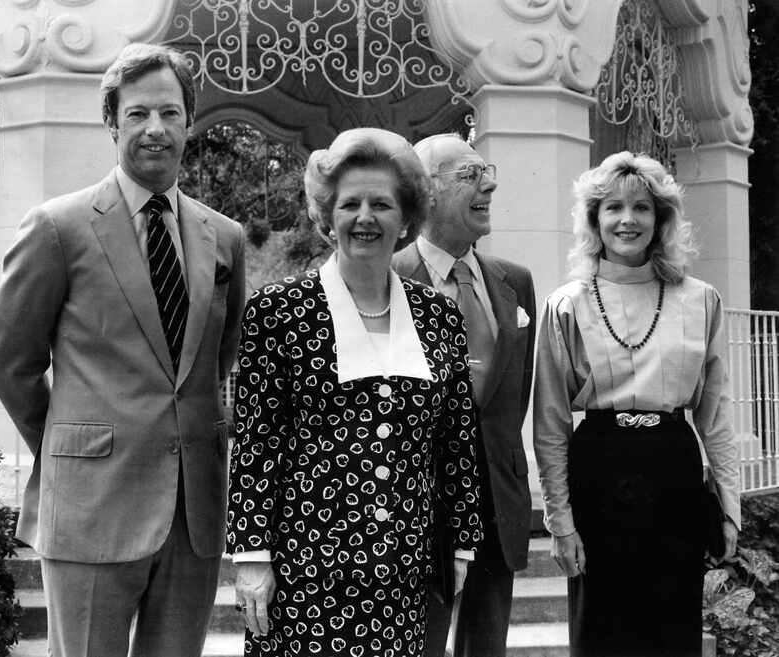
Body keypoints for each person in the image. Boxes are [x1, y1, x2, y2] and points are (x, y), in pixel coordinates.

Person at [0, 43, 245, 657]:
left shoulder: (225, 237)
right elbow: (10, 360)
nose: (155, 128)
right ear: (111, 122)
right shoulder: (58, 227)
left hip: (193, 512)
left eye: (170, 113)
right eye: (137, 114)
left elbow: (220, 361)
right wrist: (68, 442)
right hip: (91, 505)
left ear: (189, 121)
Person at [226, 127, 483, 657]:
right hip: (304, 569)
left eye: (381, 204)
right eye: (350, 204)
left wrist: (462, 540)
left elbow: (457, 440)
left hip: (404, 570)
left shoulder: (439, 317)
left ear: (406, 219)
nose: (365, 217)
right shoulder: (278, 311)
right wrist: (252, 554)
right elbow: (258, 442)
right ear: (328, 216)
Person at [533, 151, 740, 657]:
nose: (627, 220)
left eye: (642, 208)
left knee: (671, 631)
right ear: (593, 219)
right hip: (598, 472)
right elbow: (551, 423)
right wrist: (561, 523)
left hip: (672, 471)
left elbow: (715, 414)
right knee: (601, 631)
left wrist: (730, 507)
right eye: (613, 208)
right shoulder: (567, 304)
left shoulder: (701, 300)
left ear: (661, 219)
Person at [393, 133, 536, 657]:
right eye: (470, 174)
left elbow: (510, 399)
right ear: (425, 190)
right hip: (418, 508)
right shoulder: (386, 276)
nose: (490, 184)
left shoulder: (514, 281)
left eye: (488, 172)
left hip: (498, 504)